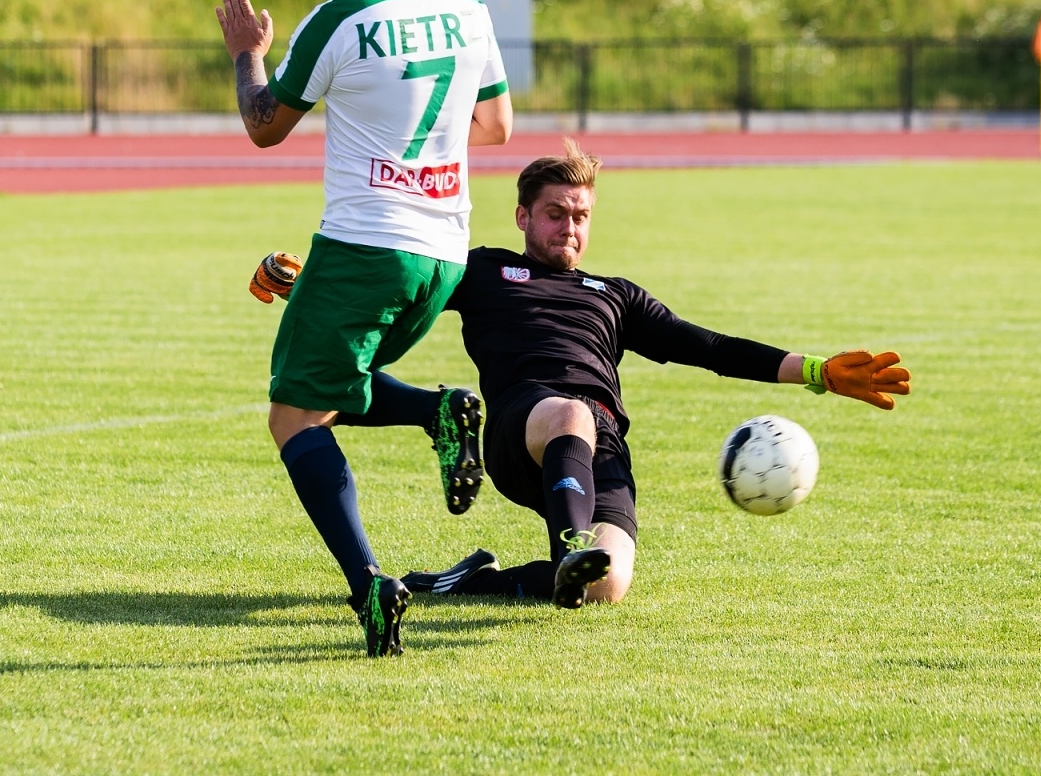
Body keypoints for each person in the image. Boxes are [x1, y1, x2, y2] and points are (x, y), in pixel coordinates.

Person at [284, 141, 911, 608]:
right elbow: (392, 296)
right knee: (569, 412)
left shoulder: (614, 295)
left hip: (602, 447)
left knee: (609, 583)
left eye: (581, 214)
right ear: (523, 217)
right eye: (556, 212)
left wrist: (818, 372)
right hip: (521, 425)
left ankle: (476, 581)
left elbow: (708, 345)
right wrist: (298, 285)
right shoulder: (481, 271)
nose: (570, 226)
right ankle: (570, 542)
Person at [215, 0, 515, 657]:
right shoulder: (469, 12)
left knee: (293, 413)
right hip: (443, 254)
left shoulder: (338, 20)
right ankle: (438, 411)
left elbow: (262, 124)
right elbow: (496, 128)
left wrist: (247, 50)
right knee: (333, 386)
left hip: (365, 245)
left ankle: (369, 586)